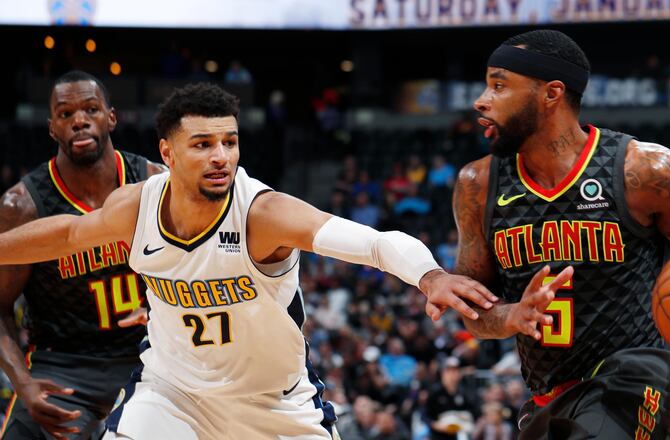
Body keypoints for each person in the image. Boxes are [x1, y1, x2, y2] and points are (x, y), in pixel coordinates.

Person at [0, 83, 497, 440]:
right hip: (173, 396)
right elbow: (68, 233)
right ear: (167, 153)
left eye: (229, 142)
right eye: (202, 144)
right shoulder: (137, 205)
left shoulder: (263, 213)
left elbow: (373, 243)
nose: (221, 156)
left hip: (274, 405)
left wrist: (429, 275)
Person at [451, 29, 670, 439]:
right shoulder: (477, 185)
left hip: (638, 379)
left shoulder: (645, 171)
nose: (481, 100)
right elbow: (473, 312)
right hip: (548, 397)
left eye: (499, 85)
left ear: (552, 93)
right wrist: (512, 316)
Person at [0, 70, 165, 439]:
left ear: (111, 117)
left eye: (91, 109)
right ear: (52, 128)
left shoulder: (152, 183)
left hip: (150, 355)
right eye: (65, 114)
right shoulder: (21, 206)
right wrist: (24, 384)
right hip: (63, 365)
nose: (79, 121)